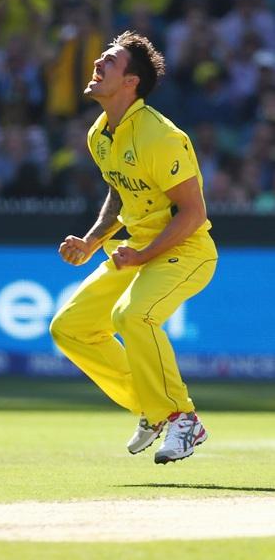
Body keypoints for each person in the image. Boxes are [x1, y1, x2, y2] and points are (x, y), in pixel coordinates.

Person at [50, 31, 218, 465]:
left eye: (109, 61)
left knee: (133, 315)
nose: (97, 64)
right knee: (70, 327)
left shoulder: (161, 136)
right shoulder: (99, 133)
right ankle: (152, 407)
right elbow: (119, 190)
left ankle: (182, 417)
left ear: (131, 82)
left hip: (187, 251)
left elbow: (193, 213)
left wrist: (142, 256)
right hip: (138, 247)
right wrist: (91, 241)